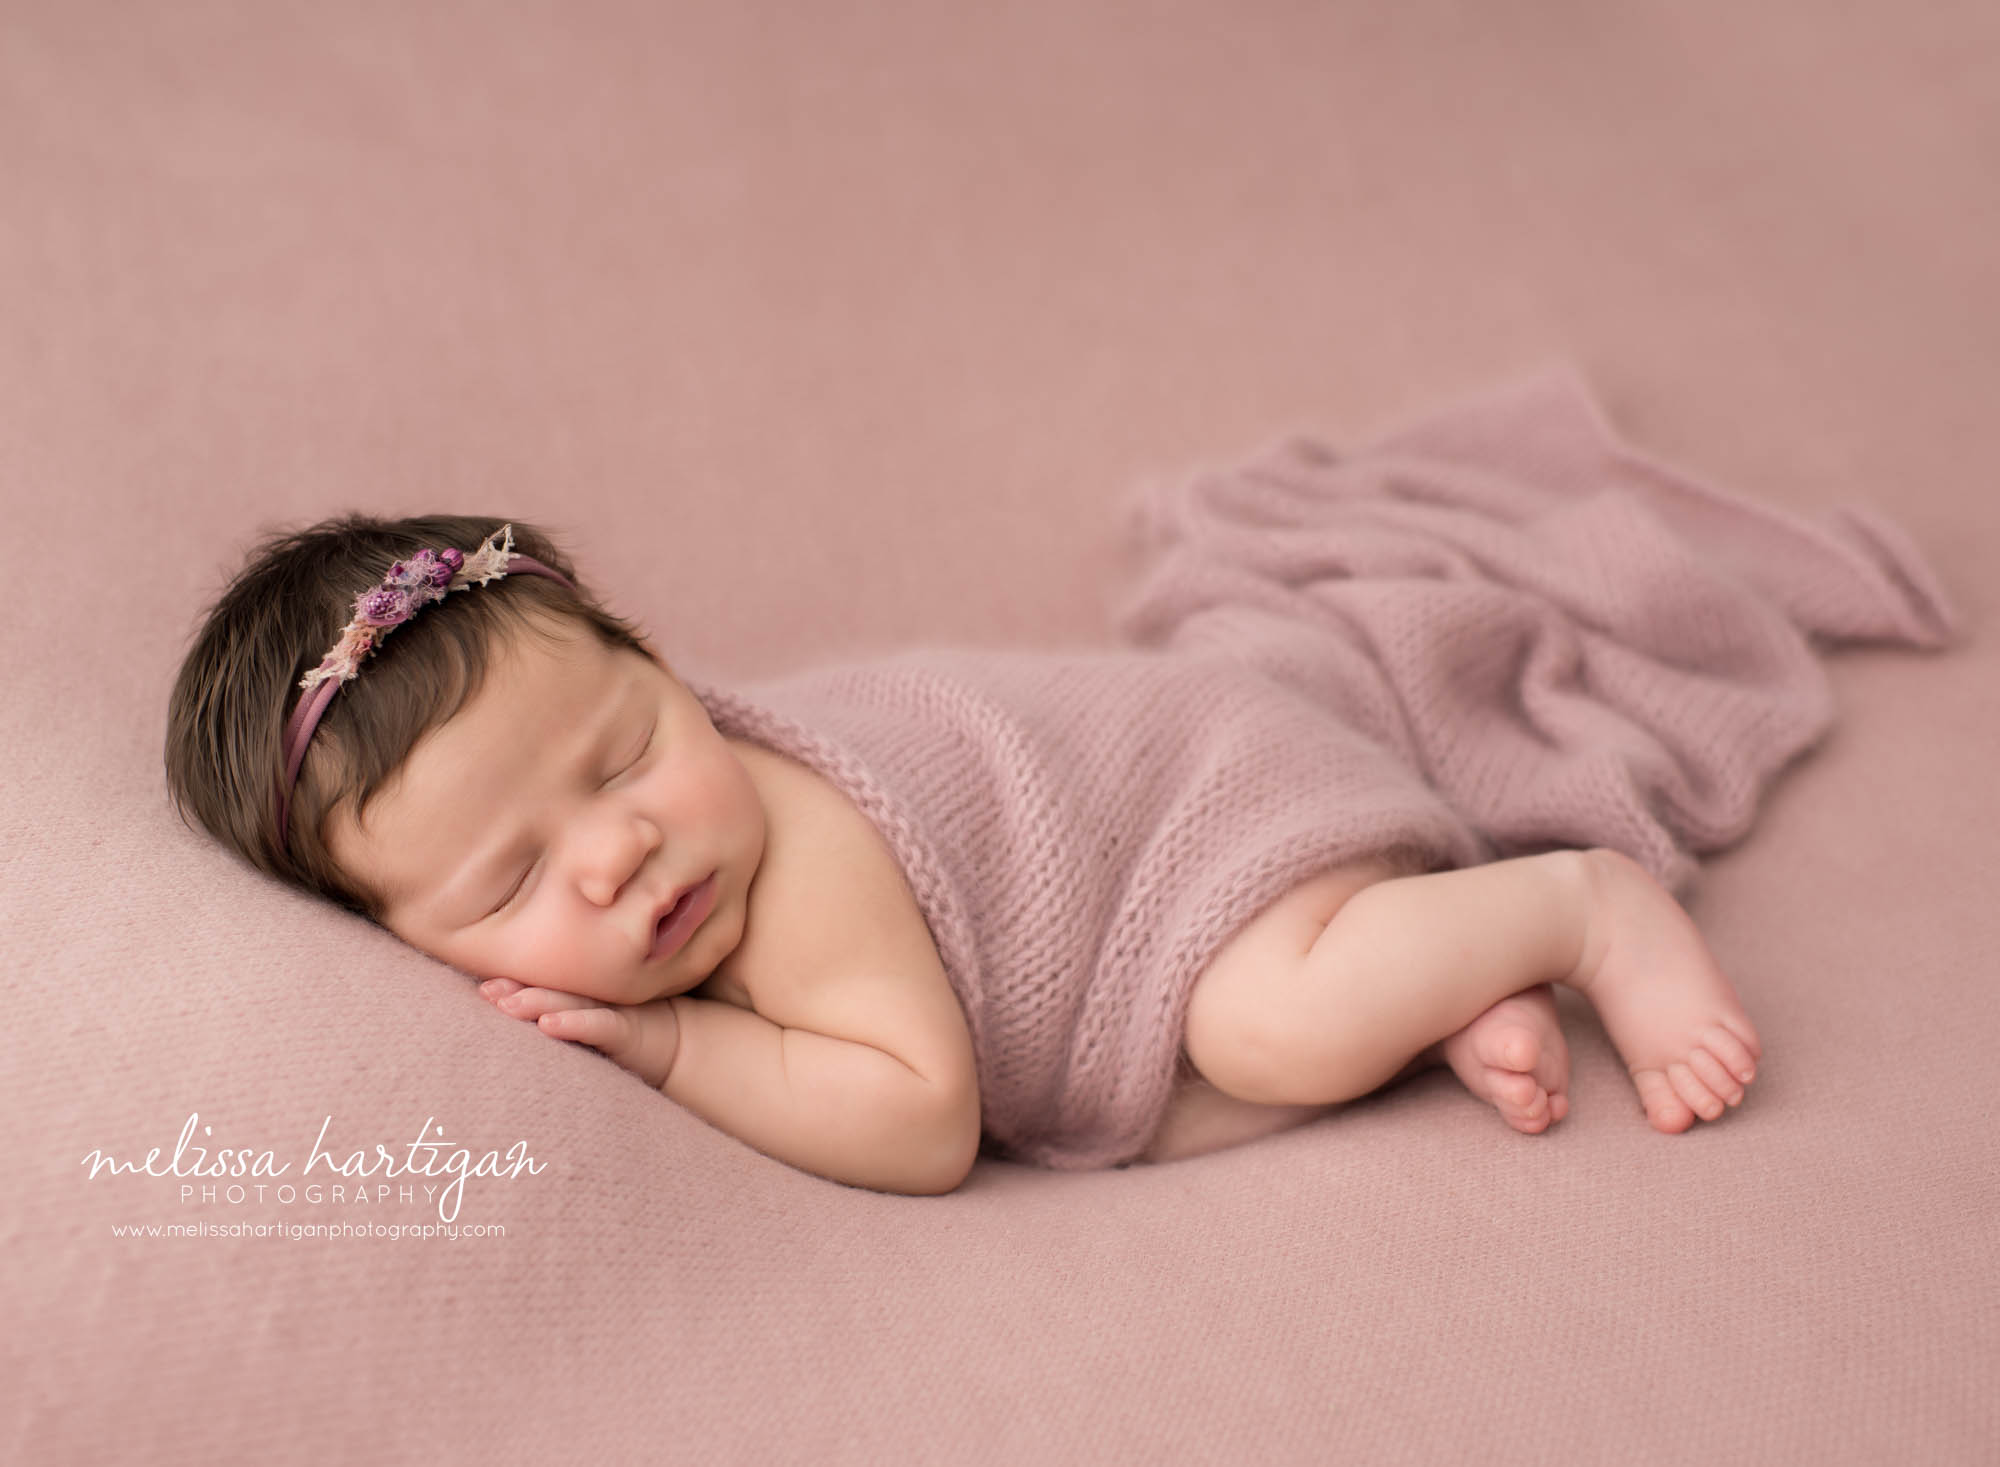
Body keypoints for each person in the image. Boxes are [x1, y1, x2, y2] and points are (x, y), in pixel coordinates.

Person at [165, 513, 1762, 1195]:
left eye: (630, 750)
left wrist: (665, 1046)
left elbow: (924, 1123)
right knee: (1220, 1076)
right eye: (512, 885)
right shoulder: (660, 843)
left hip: (1204, 810)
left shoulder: (794, 867)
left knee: (1260, 1030)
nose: (624, 850)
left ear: (666, 669)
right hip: (1165, 861)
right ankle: (1418, 965)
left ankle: (1566, 910)